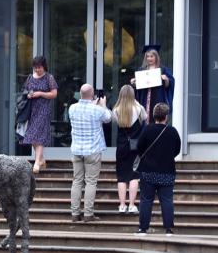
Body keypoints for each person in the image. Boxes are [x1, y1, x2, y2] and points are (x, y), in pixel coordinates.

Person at [135, 103, 182, 236]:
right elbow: (177, 149)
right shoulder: (172, 131)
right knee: (167, 200)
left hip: (148, 171)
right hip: (167, 171)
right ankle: (168, 229)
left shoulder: (147, 129)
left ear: (154, 115)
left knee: (146, 200)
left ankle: (143, 228)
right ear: (166, 117)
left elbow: (139, 147)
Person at [68, 84, 112, 223]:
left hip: (76, 150)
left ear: (80, 94)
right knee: (91, 182)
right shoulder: (97, 109)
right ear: (92, 94)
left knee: (77, 181)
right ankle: (88, 214)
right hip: (93, 150)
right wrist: (103, 105)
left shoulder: (72, 108)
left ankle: (75, 214)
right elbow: (108, 118)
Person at [111, 85, 148, 214]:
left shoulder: (116, 110)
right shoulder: (138, 108)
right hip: (135, 145)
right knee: (134, 176)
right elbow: (145, 117)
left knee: (121, 177)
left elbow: (113, 120)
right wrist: (136, 101)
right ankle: (132, 205)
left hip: (121, 145)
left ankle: (122, 205)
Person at [21, 55, 58, 174]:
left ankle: (36, 163)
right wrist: (29, 95)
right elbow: (25, 92)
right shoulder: (30, 78)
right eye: (35, 67)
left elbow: (54, 94)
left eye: (39, 67)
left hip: (43, 110)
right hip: (31, 110)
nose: (37, 70)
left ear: (44, 66)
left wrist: (40, 94)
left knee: (40, 135)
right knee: (31, 136)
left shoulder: (49, 78)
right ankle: (41, 159)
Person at [130, 45, 175, 115]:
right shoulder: (142, 70)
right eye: (147, 56)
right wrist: (134, 83)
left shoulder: (163, 69)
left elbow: (169, 84)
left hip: (158, 98)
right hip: (144, 98)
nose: (149, 58)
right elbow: (137, 88)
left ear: (156, 57)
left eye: (151, 56)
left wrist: (166, 80)